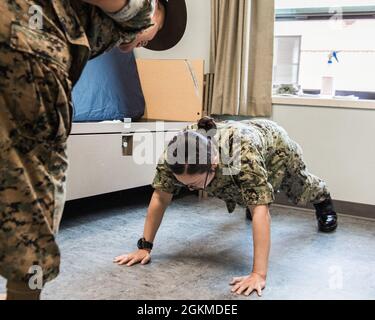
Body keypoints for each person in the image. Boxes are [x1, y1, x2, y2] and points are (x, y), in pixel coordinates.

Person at [0, 0, 187, 300]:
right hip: (30, 52)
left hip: (15, 35)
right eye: (153, 34)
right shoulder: (144, 9)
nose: (146, 41)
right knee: (34, 200)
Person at [114, 117, 338, 297]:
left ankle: (323, 202)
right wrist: (145, 246)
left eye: (193, 186)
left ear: (213, 164)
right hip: (230, 154)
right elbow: (161, 197)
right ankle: (244, 200)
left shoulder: (242, 154)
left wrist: (258, 274)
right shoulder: (176, 155)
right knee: (240, 192)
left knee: (298, 187)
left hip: (274, 146)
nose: (189, 190)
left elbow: (262, 210)